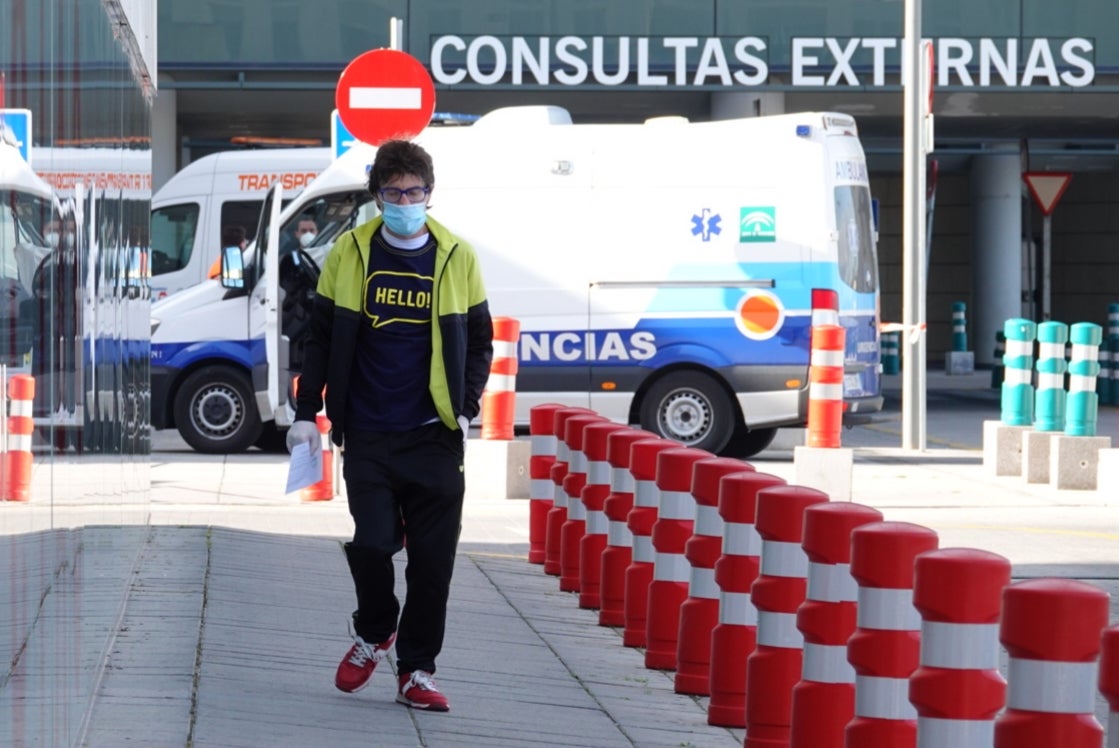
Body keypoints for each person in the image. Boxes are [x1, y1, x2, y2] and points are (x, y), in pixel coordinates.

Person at [287, 139, 493, 712]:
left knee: (434, 564)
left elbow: (480, 340)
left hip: (434, 434)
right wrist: (308, 413)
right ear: (377, 196)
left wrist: (468, 403)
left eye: (413, 191)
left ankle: (417, 672)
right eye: (392, 192)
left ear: (430, 193)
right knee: (373, 543)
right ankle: (376, 629)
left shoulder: (458, 256)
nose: (404, 200)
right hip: (371, 432)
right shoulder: (349, 254)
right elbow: (321, 340)